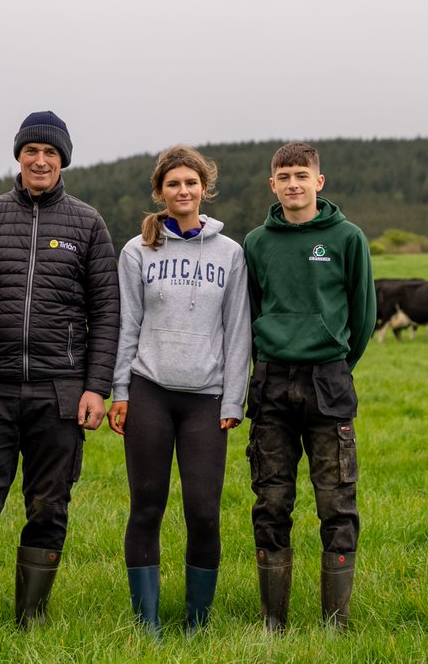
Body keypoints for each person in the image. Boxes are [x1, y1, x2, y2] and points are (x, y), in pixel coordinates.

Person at [0, 111, 120, 635]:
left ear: (63, 159)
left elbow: (107, 312)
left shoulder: (87, 223)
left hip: (60, 393)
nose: (40, 160)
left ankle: (31, 619)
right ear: (18, 157)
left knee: (49, 506)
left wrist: (96, 386)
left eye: (50, 152)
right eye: (31, 151)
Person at [107, 145, 251, 636]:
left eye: (191, 183)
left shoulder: (230, 254)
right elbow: (127, 324)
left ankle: (197, 622)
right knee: (146, 504)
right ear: (160, 191)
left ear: (204, 189)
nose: (183, 191)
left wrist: (233, 397)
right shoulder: (137, 250)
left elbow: (238, 331)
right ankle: (146, 624)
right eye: (173, 184)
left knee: (204, 512)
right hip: (149, 391)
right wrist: (119, 391)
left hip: (206, 400)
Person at [242, 141, 376, 631]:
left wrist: (335, 358)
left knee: (336, 502)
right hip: (272, 383)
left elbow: (363, 316)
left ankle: (334, 624)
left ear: (319, 182)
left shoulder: (347, 237)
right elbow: (250, 312)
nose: (293, 183)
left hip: (329, 382)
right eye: (284, 176)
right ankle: (272, 620)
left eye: (302, 174)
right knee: (271, 502)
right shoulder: (256, 242)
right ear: (272, 185)